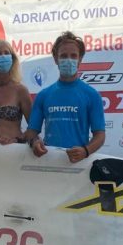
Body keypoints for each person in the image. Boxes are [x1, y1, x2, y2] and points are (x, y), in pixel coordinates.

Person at [26, 31, 105, 162]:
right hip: (49, 162)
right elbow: (31, 132)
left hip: (79, 164)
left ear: (80, 59)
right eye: (63, 56)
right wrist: (34, 142)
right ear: (55, 59)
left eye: (73, 56)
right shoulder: (43, 95)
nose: (68, 60)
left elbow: (100, 135)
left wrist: (86, 151)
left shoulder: (92, 95)